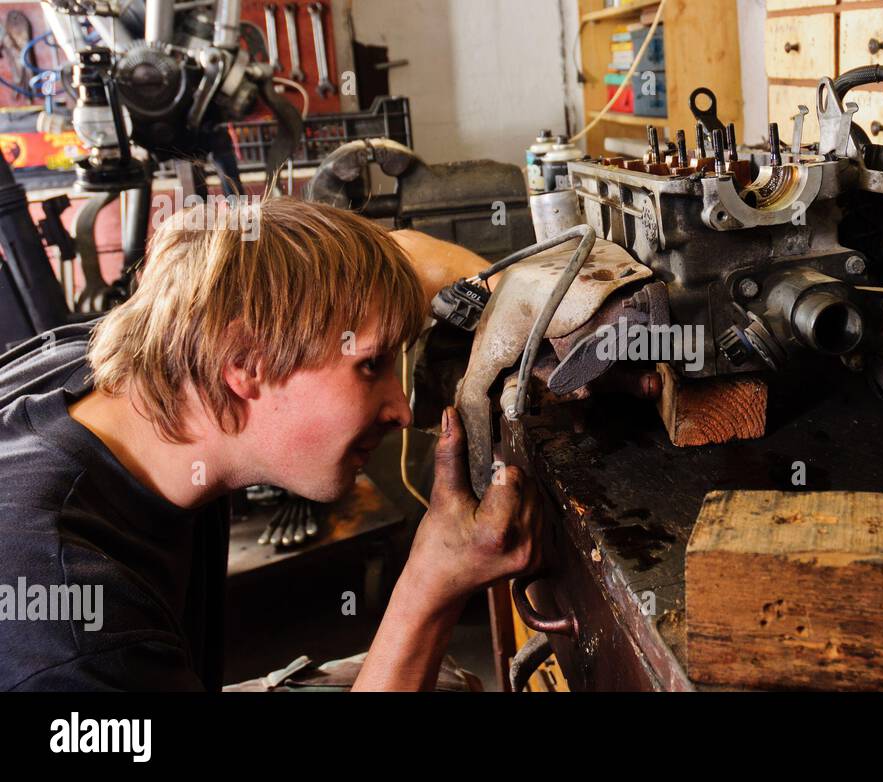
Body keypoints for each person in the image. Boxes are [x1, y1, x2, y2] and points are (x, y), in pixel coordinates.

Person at [0, 197, 541, 691]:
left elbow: (409, 254)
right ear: (244, 363)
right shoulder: (73, 637)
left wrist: (532, 311)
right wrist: (432, 581)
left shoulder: (116, 361)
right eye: (371, 365)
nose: (401, 411)